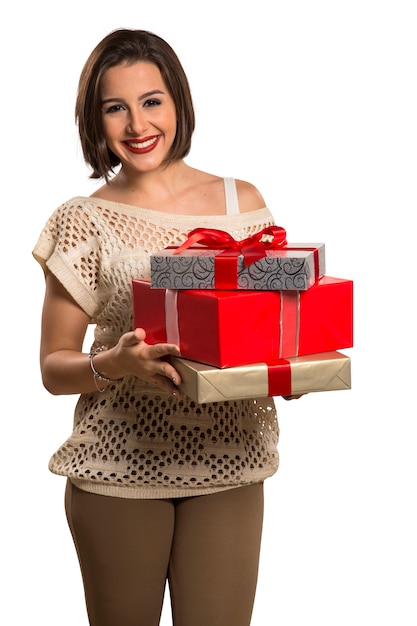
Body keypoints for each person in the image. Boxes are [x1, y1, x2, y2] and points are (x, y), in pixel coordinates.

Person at [33, 28, 283, 626]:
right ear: (95, 120)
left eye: (151, 101)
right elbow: (52, 368)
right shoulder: (80, 220)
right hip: (117, 469)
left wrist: (287, 367)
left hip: (230, 459)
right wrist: (113, 364)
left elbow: (272, 323)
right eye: (114, 107)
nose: (136, 124)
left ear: (178, 103)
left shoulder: (239, 203)